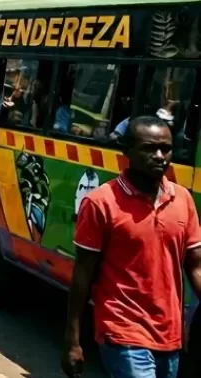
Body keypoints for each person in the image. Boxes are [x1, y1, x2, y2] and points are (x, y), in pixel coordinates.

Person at [64, 116, 201, 378]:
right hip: (122, 331)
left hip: (169, 336)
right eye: (149, 149)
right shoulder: (100, 203)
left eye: (166, 148)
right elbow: (82, 275)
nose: (160, 156)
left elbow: (195, 265)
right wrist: (72, 339)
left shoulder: (183, 199)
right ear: (127, 151)